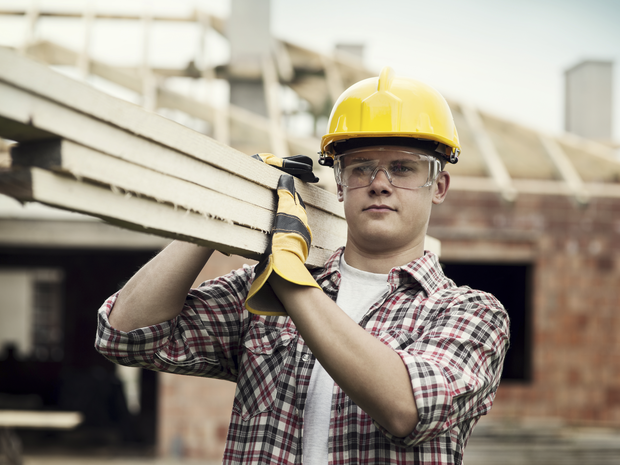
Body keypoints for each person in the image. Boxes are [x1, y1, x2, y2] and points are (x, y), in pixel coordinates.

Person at [95, 66, 510, 464]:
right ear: (341, 183)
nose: (379, 182)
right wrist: (222, 213)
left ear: (438, 186)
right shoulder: (262, 288)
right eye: (361, 167)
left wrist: (288, 278)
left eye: (402, 167)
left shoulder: (470, 313)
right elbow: (124, 334)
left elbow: (406, 408)